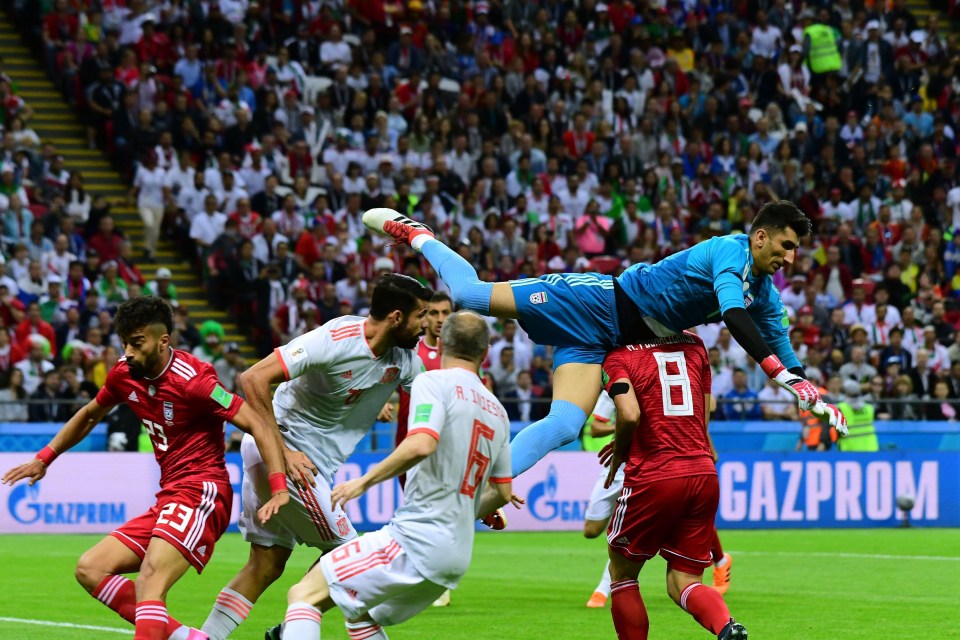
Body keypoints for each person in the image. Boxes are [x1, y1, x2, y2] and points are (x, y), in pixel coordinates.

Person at [363, 202, 847, 477]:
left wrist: (810, 391)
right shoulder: (730, 253)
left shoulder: (764, 292)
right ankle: (418, 234)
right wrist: (781, 377)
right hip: (598, 302)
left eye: (795, 250)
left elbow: (781, 348)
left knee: (564, 425)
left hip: (609, 341)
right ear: (760, 237)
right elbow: (737, 318)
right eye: (785, 245)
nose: (790, 257)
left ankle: (489, 481)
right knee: (469, 294)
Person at [1, 296, 288, 640]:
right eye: (124, 343)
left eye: (137, 343)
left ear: (163, 340)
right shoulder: (125, 373)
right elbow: (91, 413)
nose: (129, 352)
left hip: (202, 491)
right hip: (170, 494)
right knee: (90, 569)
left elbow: (257, 424)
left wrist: (279, 484)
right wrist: (44, 458)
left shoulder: (195, 380)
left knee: (150, 582)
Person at [198, 274, 432, 640]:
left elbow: (431, 405)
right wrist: (284, 452)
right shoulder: (334, 339)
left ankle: (207, 637)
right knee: (352, 558)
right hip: (287, 453)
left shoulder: (403, 359)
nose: (426, 326)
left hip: (301, 460)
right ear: (397, 317)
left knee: (267, 564)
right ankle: (295, 625)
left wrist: (378, 400)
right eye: (422, 316)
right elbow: (253, 378)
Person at [277, 310, 513, 640]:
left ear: (441, 341)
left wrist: (364, 481)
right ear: (485, 352)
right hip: (455, 555)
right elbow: (502, 491)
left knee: (303, 596)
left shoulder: (433, 381)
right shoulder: (498, 411)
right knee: (359, 617)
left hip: (416, 540)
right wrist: (466, 508)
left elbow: (420, 444)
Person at [599, 332, 747, 640]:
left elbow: (629, 414)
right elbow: (704, 410)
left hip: (656, 474)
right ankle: (726, 627)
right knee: (684, 580)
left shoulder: (619, 353)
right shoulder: (694, 344)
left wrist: (621, 452)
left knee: (622, 574)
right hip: (703, 471)